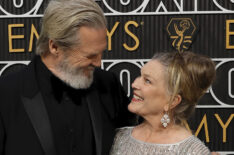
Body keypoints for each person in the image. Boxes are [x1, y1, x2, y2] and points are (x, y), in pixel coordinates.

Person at [0, 0, 135, 155]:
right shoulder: (5, 95)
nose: (98, 63)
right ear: (54, 47)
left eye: (101, 52)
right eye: (90, 55)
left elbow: (139, 138)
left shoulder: (108, 85)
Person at [110, 51, 216, 155]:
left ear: (172, 101)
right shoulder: (117, 137)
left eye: (147, 81)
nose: (134, 84)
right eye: (140, 76)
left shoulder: (193, 151)